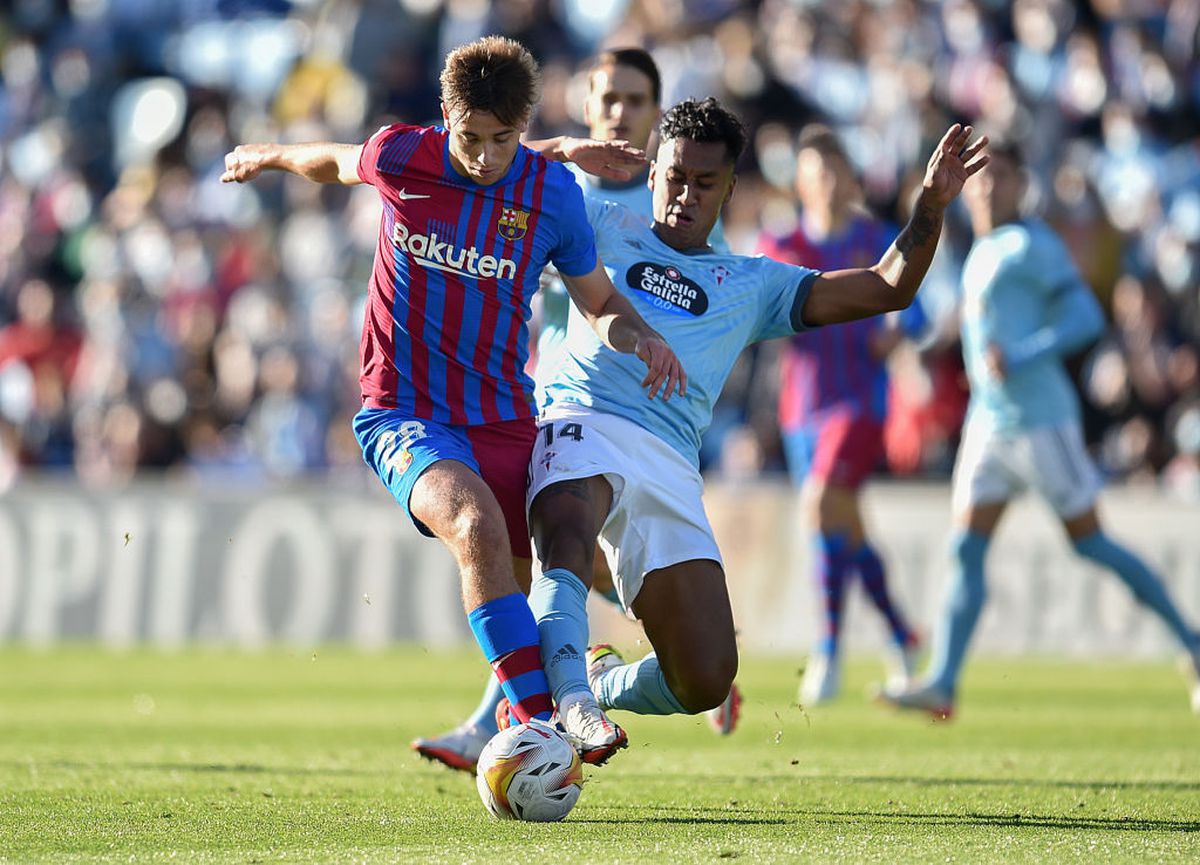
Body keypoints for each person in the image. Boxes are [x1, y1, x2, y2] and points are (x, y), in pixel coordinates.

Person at [220, 35, 684, 761]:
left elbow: (599, 301)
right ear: (445, 116)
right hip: (402, 411)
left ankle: (661, 658)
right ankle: (545, 723)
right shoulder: (404, 156)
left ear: (524, 126)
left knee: (565, 564)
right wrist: (269, 154)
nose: (487, 155)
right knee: (474, 526)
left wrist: (643, 337)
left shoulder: (549, 193)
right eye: (471, 137)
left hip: (502, 415)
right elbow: (336, 161)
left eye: (505, 139)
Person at [522, 99, 986, 737]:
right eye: (676, 176)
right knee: (566, 526)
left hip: (670, 461)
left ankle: (599, 685)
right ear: (652, 173)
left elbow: (888, 287)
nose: (686, 195)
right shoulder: (598, 222)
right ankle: (567, 703)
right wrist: (565, 149)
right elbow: (494, 170)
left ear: (729, 192)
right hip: (581, 415)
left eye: (705, 183)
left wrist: (930, 206)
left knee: (704, 676)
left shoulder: (752, 282)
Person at [412, 49, 736, 775]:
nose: (619, 112)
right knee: (535, 559)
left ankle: (525, 711)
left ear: (657, 117)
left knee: (544, 562)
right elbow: (476, 157)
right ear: (587, 108)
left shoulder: (664, 218)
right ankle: (534, 706)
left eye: (634, 101)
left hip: (629, 425)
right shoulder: (551, 188)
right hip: (550, 406)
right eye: (608, 98)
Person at [878, 141, 1200, 719]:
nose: (988, 185)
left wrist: (1023, 355)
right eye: (981, 176)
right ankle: (944, 680)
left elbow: (1085, 317)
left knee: (1091, 544)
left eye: (1001, 175)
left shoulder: (1030, 244)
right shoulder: (980, 251)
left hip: (1041, 421)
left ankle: (1195, 644)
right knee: (965, 550)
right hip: (990, 425)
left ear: (1019, 185)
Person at [756, 125, 922, 706]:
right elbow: (759, 312)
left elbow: (918, 308)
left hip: (859, 404)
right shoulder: (782, 247)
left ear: (850, 178)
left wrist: (901, 330)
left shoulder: (879, 240)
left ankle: (828, 648)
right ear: (798, 181)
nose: (825, 182)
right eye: (813, 171)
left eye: (833, 171)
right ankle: (903, 635)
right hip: (801, 409)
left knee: (821, 504)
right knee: (844, 527)